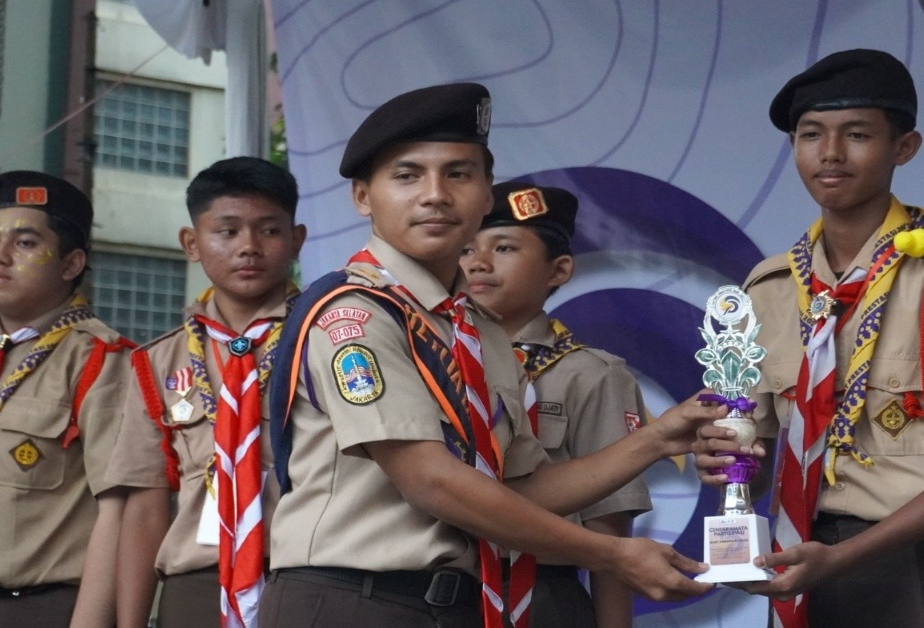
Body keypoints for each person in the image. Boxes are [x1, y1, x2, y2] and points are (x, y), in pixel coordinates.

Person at [262, 82, 720, 628]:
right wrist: (610, 554)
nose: (435, 194)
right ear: (363, 197)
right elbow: (429, 480)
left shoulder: (476, 328)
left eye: (458, 173)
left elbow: (520, 490)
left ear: (485, 193)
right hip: (352, 601)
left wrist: (658, 438)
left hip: (452, 606)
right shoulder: (354, 314)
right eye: (407, 175)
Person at [693, 49, 924, 628]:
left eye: (857, 134)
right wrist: (724, 463)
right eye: (810, 134)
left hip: (920, 566)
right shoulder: (769, 287)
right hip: (801, 564)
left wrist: (840, 560)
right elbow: (757, 447)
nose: (830, 154)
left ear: (904, 147)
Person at [104, 157, 306, 628]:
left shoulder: (325, 336)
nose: (249, 248)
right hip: (196, 583)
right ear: (191, 244)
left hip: (301, 574)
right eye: (227, 231)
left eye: (269, 231)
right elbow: (145, 507)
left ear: (297, 240)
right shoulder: (158, 361)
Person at [461, 181, 651, 628]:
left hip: (541, 594)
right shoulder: (436, 365)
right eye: (466, 249)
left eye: (504, 247)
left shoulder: (592, 374)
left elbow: (611, 524)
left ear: (559, 269)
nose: (479, 263)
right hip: (440, 591)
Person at [0, 171, 133, 627]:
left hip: (38, 608)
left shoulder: (101, 361)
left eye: (24, 244)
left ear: (71, 263)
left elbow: (119, 511)